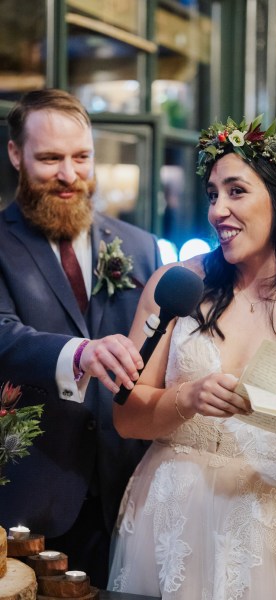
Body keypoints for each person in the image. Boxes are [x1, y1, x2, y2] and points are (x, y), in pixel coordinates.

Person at [107, 115, 276, 599]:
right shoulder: (175, 285)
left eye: (236, 191)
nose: (218, 210)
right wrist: (185, 398)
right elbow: (127, 419)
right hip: (169, 517)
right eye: (213, 194)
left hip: (270, 528)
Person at [0, 88, 162, 588]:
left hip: (128, 493)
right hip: (31, 498)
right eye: (50, 158)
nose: (69, 174)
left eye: (81, 157)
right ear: (15, 155)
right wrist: (81, 352)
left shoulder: (140, 246)